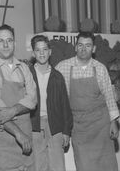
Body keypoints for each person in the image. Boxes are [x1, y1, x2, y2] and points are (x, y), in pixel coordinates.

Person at [56, 31, 119, 171]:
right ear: (75, 47)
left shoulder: (100, 68)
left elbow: (109, 95)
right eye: (80, 45)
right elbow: (56, 96)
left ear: (94, 49)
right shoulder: (62, 67)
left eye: (88, 45)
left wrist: (113, 121)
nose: (83, 49)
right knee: (84, 165)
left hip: (100, 124)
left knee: (106, 164)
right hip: (78, 126)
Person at [0, 24, 37, 171]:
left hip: (25, 138)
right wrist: (18, 134)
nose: (5, 44)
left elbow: (33, 99)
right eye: (0, 41)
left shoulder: (24, 68)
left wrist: (12, 111)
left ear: (14, 43)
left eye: (9, 40)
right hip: (1, 139)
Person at [29, 35, 73, 171]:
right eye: (38, 50)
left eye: (45, 49)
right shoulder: (27, 75)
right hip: (34, 126)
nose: (42, 53)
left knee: (57, 165)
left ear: (50, 52)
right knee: (38, 165)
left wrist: (66, 131)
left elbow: (65, 105)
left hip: (55, 126)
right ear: (33, 53)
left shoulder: (57, 76)